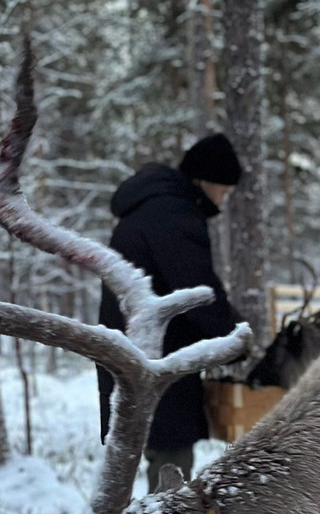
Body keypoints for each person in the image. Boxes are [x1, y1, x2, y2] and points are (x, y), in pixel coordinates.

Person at [98, 133, 245, 491]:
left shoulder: (151, 205)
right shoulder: (174, 212)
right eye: (223, 190)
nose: (223, 200)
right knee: (171, 467)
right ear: (205, 179)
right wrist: (236, 335)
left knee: (151, 456)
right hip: (157, 358)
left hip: (133, 350)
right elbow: (195, 289)